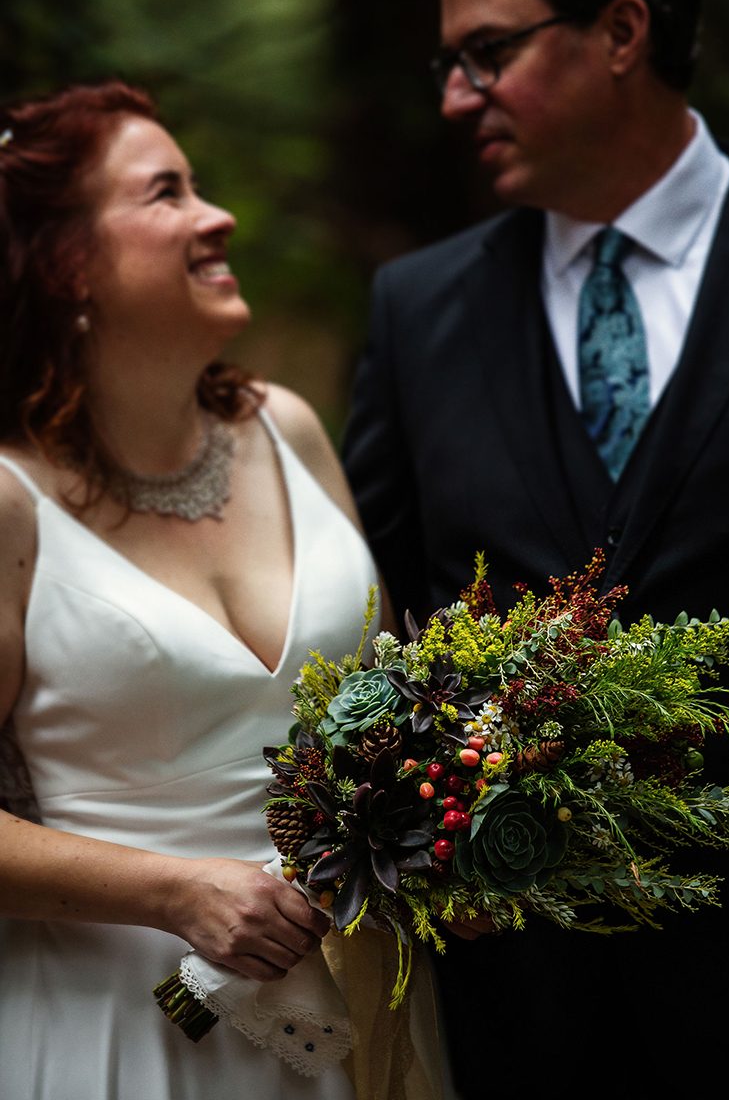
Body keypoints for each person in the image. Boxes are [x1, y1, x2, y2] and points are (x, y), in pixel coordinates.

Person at [342, 0, 729, 1095]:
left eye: (488, 52)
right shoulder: (417, 313)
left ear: (620, 32)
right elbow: (375, 617)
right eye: (446, 65)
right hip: (516, 1001)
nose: (456, 98)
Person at [0, 80, 444, 1100]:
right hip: (126, 1024)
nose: (218, 216)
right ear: (65, 263)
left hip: (355, 1000)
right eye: (167, 193)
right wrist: (173, 891)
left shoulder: (285, 428)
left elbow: (393, 711)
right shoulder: (12, 502)